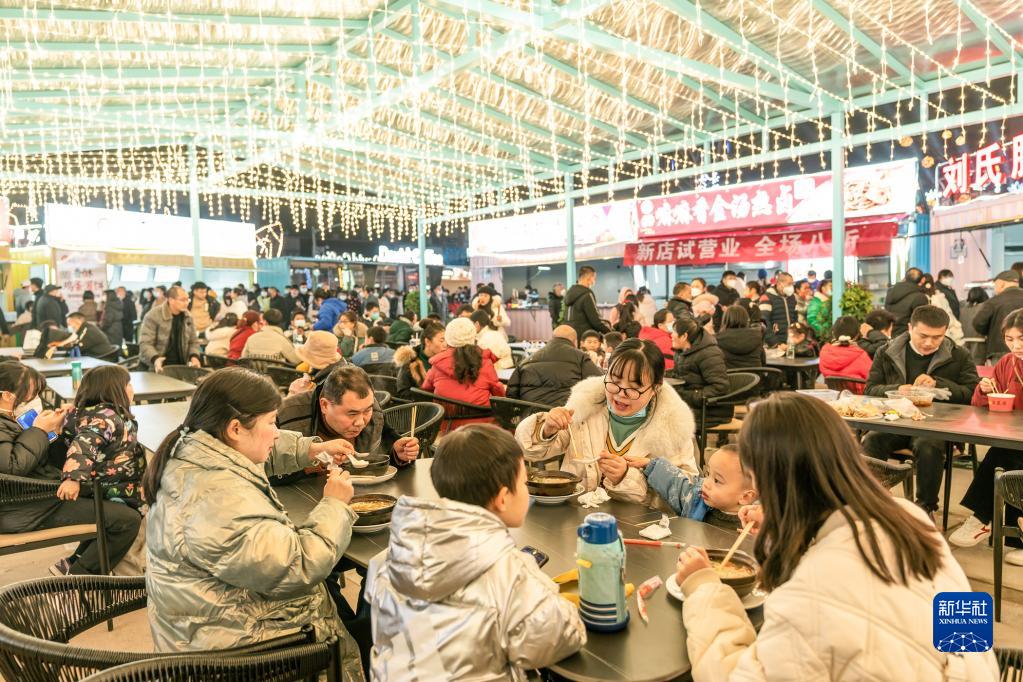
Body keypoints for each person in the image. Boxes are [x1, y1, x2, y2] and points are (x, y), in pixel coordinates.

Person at [674, 393, 998, 681]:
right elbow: (968, 624)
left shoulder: (807, 597)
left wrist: (705, 589)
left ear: (773, 484)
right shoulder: (909, 517)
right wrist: (787, 529)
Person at [142, 368, 365, 679]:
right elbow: (299, 565)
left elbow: (263, 454)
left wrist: (312, 449)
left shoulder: (198, 451)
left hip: (202, 619)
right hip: (236, 650)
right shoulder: (220, 498)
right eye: (271, 422)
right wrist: (335, 505)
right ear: (235, 428)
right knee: (375, 611)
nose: (276, 433)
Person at [366, 425, 585, 679]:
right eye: (524, 483)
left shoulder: (393, 554)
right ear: (503, 498)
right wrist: (544, 586)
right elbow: (564, 637)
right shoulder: (510, 572)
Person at [516, 338, 697, 507]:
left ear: (655, 388)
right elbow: (530, 451)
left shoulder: (673, 430)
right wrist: (546, 428)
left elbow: (685, 495)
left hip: (642, 526)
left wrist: (627, 477)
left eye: (634, 388)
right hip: (577, 518)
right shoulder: (584, 408)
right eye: (614, 381)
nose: (620, 394)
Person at [0, 363, 141, 577]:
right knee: (127, 520)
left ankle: (72, 565)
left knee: (114, 507)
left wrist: (58, 430)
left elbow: (43, 459)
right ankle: (77, 579)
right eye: (31, 393)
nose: (36, 398)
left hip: (35, 497)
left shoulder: (10, 418)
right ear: (7, 396)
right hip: (24, 507)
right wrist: (39, 430)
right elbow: (11, 468)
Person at [863, 305, 979, 515]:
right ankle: (873, 500)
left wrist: (938, 384)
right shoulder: (887, 352)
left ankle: (925, 508)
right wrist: (897, 389)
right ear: (910, 328)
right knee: (871, 440)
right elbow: (870, 389)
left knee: (928, 445)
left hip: (937, 426)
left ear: (945, 332)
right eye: (923, 336)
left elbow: (972, 394)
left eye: (937, 337)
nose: (929, 343)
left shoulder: (959, 355)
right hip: (896, 422)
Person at [949, 309, 1023, 564]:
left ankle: (981, 518)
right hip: (1014, 438)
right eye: (1010, 339)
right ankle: (1001, 529)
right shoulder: (1006, 363)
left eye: (1022, 338)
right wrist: (983, 390)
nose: (1016, 345)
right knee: (1006, 454)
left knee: (1005, 456)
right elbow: (983, 406)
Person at [56, 365, 146, 566]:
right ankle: (83, 573)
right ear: (114, 390)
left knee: (107, 526)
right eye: (128, 384)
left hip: (113, 481)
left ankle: (73, 562)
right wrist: (72, 477)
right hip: (110, 486)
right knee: (128, 521)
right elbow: (84, 445)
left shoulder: (95, 414)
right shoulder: (105, 418)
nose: (132, 389)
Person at [276, 365, 418, 475]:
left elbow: (387, 441)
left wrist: (399, 454)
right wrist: (316, 461)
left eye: (366, 411)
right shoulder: (288, 414)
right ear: (324, 405)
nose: (361, 422)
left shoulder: (373, 410)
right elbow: (269, 472)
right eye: (352, 414)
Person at [624, 444, 757, 532]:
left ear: (745, 497)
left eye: (717, 480)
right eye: (708, 474)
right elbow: (676, 484)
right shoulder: (696, 499)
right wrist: (651, 465)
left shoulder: (757, 525)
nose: (706, 483)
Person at [421, 317, 505, 414]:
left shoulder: (438, 364)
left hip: (446, 421)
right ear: (473, 336)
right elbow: (498, 393)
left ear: (448, 338)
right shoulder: (484, 362)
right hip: (483, 420)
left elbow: (425, 391)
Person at [507, 325, 603, 406]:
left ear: (552, 338)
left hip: (531, 417)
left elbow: (511, 394)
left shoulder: (527, 360)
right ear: (575, 342)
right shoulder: (580, 357)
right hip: (566, 417)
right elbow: (600, 384)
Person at [670, 315, 732, 428]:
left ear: (684, 336)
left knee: (663, 418)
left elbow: (720, 387)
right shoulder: (682, 351)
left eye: (674, 331)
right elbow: (680, 376)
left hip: (710, 411)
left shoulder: (708, 354)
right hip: (693, 405)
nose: (671, 335)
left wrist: (690, 396)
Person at [138, 285, 201, 372]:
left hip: (179, 366)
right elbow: (145, 343)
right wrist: (155, 358)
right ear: (171, 300)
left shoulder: (188, 316)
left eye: (188, 299)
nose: (186, 303)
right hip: (154, 366)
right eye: (182, 300)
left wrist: (194, 357)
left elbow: (193, 341)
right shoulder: (153, 315)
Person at [973, 269, 1023, 361]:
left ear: (1001, 284)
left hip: (999, 350)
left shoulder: (994, 301)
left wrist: (990, 332)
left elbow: (978, 323)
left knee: (1002, 370)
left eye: (995, 285)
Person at [394, 322, 446, 401]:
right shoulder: (411, 362)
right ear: (427, 341)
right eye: (442, 341)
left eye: (447, 340)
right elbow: (403, 392)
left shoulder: (448, 360)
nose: (445, 344)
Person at [819, 315, 873, 386]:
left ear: (833, 333)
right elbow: (873, 378)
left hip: (834, 392)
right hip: (858, 393)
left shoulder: (825, 352)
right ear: (857, 335)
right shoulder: (861, 355)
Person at [563, 266, 611, 339]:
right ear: (589, 279)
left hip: (570, 336)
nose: (594, 281)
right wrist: (611, 333)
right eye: (594, 278)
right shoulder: (587, 294)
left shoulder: (570, 293)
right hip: (585, 337)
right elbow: (596, 321)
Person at [715, 305, 765, 369]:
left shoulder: (717, 339)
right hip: (755, 374)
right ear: (746, 319)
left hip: (729, 374)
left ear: (725, 319)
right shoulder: (757, 335)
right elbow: (763, 361)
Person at [919, 273, 964, 344]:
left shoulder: (918, 298)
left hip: (924, 332)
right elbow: (949, 315)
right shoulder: (940, 297)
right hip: (943, 331)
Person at [884, 267, 928, 337]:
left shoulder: (891, 291)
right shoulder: (920, 297)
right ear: (923, 280)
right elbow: (921, 320)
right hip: (908, 335)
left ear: (905, 278)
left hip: (890, 332)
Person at [759, 271, 796, 346]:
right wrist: (775, 343)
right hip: (775, 344)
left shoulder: (792, 297)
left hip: (792, 341)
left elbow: (795, 318)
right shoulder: (767, 297)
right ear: (779, 284)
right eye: (789, 284)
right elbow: (763, 322)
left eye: (792, 284)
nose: (791, 286)